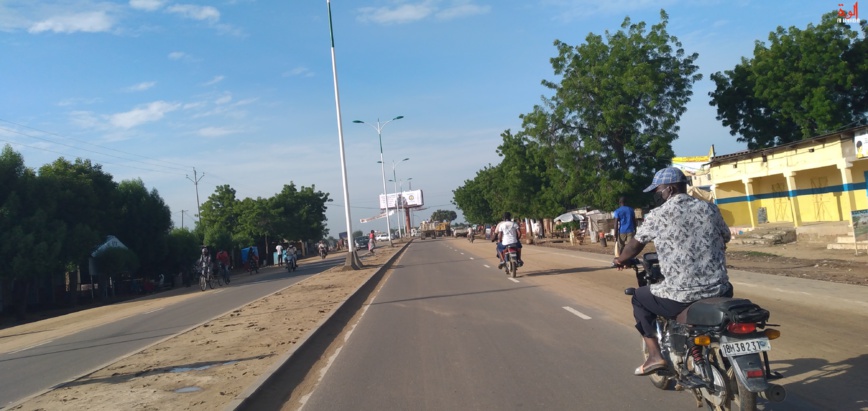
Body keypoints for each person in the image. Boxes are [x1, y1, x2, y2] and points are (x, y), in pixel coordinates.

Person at [612, 167, 732, 376]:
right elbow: (726, 236)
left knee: (639, 298)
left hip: (681, 296)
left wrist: (621, 258)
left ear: (670, 188)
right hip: (720, 290)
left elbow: (634, 245)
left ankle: (655, 356)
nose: (657, 195)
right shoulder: (710, 209)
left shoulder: (659, 214)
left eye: (658, 190)